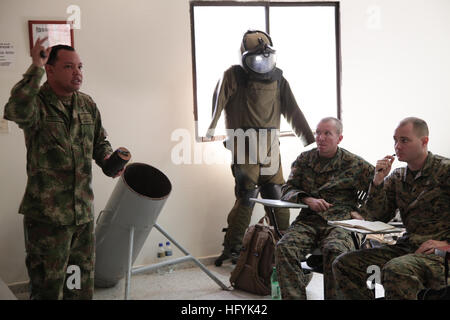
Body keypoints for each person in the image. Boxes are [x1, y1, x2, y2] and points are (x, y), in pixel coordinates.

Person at [3, 38, 122, 299]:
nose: (78, 72)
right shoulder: (37, 104)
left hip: (82, 215)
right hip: (48, 218)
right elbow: (14, 109)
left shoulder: (87, 104)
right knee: (48, 288)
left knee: (77, 283)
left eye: (80, 66)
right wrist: (34, 66)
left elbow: (98, 143)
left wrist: (109, 161)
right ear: (50, 69)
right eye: (69, 67)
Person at [206, 30, 315, 266]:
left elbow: (293, 110)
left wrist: (309, 140)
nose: (262, 63)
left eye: (266, 57)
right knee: (247, 195)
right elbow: (219, 100)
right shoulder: (233, 75)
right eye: (256, 57)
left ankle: (285, 245)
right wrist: (210, 129)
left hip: (270, 147)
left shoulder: (278, 78)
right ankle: (233, 247)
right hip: (244, 144)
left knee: (276, 194)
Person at [332, 117, 450, 300]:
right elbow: (377, 215)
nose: (397, 146)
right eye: (395, 140)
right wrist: (377, 182)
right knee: (344, 264)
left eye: (404, 140)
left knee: (396, 269)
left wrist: (447, 245)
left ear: (424, 141)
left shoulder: (445, 171)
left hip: (439, 255)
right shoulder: (398, 176)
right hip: (408, 248)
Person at [275, 117, 375, 299]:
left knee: (335, 250)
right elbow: (287, 189)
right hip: (309, 220)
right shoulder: (305, 160)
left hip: (341, 223)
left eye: (327, 133)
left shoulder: (354, 164)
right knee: (284, 247)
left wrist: (362, 213)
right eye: (318, 133)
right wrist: (307, 199)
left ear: (339, 138)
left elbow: (381, 190)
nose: (320, 138)